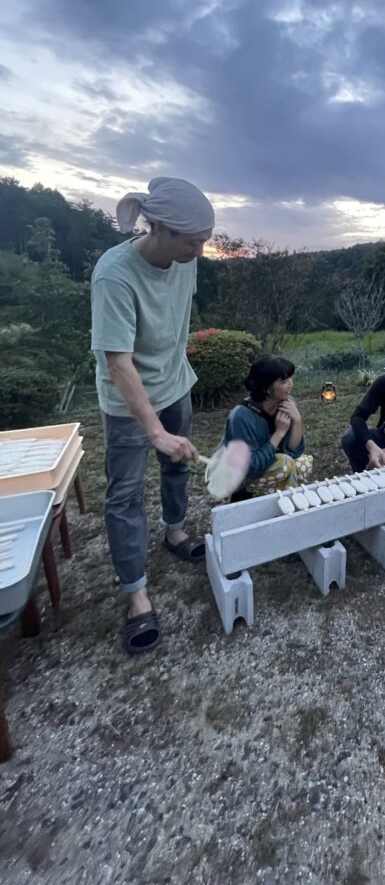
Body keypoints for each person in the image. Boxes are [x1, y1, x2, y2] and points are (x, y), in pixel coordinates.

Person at [91, 177, 215, 655]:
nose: (200, 251)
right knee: (124, 495)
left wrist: (171, 414)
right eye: (193, 242)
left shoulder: (184, 261)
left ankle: (176, 531)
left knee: (178, 462)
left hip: (174, 385)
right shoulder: (114, 274)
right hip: (126, 403)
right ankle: (135, 594)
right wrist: (154, 430)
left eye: (204, 241)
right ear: (160, 228)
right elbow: (117, 361)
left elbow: (174, 323)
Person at [223, 355, 312, 500]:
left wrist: (297, 420)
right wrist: (279, 432)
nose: (291, 385)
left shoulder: (285, 404)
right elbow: (251, 467)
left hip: (274, 466)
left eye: (290, 379)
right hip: (244, 476)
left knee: (302, 464)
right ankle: (249, 499)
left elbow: (294, 452)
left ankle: (283, 502)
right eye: (284, 381)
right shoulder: (241, 417)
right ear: (266, 387)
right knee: (285, 463)